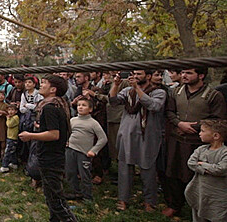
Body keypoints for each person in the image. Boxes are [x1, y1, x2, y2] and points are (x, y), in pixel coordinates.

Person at [163, 67, 227, 218]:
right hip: (177, 139)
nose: (184, 75)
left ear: (201, 75)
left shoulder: (213, 95)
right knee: (173, 172)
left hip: (199, 143)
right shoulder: (175, 92)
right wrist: (179, 124)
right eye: (183, 72)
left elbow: (218, 119)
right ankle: (175, 205)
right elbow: (169, 112)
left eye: (189, 73)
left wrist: (196, 126)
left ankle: (200, 208)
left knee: (196, 176)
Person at [19, 74, 77, 222]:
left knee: (57, 202)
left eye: (44, 83)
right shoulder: (56, 104)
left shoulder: (50, 107)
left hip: (51, 158)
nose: (41, 85)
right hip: (50, 156)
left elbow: (54, 134)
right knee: (51, 198)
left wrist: (31, 135)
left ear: (53, 89)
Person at [109, 70, 166, 212]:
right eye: (134, 73)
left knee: (148, 168)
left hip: (147, 135)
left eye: (139, 74)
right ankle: (123, 199)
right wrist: (115, 85)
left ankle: (149, 201)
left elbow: (153, 106)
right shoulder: (128, 90)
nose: (135, 76)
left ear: (148, 76)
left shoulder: (158, 92)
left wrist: (137, 89)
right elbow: (114, 101)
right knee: (124, 169)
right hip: (127, 135)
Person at [65, 97, 107, 201]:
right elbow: (68, 133)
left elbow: (103, 138)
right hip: (71, 150)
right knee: (70, 172)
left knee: (85, 175)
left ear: (90, 109)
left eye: (84, 105)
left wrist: (94, 150)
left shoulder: (93, 123)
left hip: (84, 153)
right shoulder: (72, 120)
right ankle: (75, 192)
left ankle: (87, 196)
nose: (80, 107)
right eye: (79, 105)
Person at [184, 119, 227, 222]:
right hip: (200, 190)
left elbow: (221, 169)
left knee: (218, 215)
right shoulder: (201, 150)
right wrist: (209, 169)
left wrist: (203, 164)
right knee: (199, 213)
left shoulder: (224, 153)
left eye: (203, 131)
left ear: (216, 136)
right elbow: (191, 163)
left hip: (218, 194)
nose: (199, 134)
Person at [0, 104, 20, 173]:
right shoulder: (12, 117)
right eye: (9, 110)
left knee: (7, 152)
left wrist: (8, 118)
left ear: (16, 111)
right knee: (12, 151)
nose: (10, 112)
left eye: (12, 110)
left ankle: (4, 166)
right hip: (9, 137)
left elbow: (9, 124)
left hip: (13, 138)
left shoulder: (15, 118)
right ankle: (14, 163)